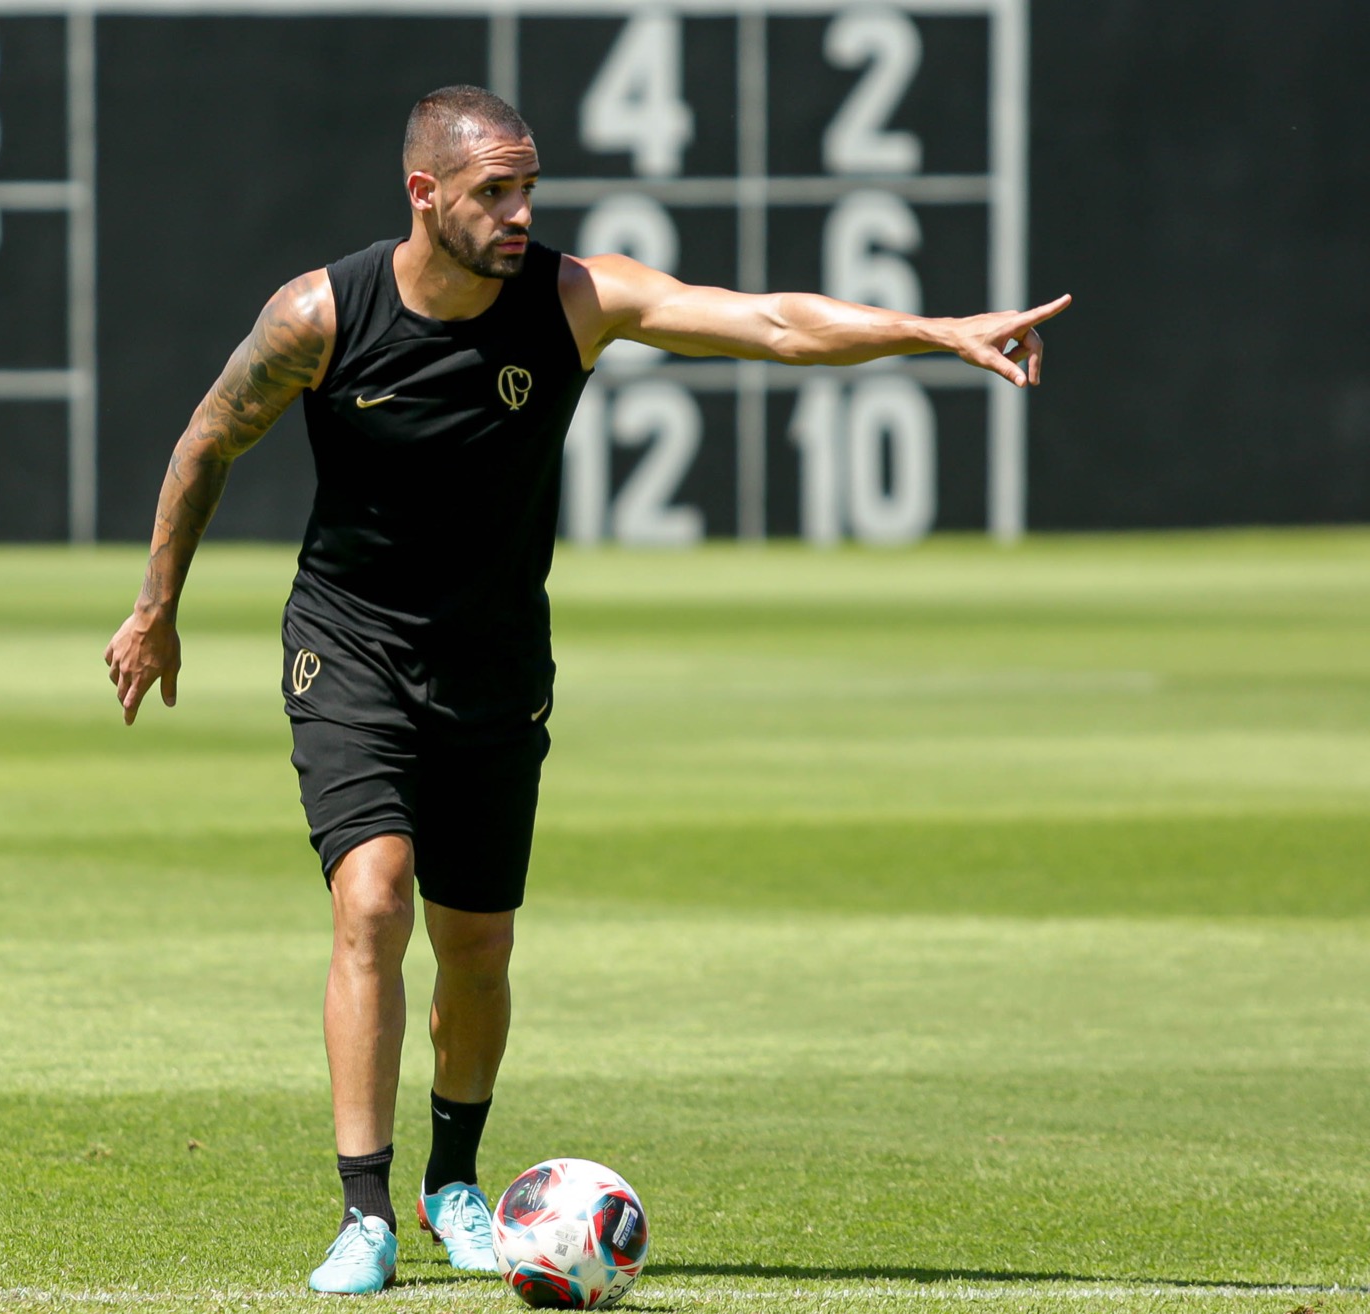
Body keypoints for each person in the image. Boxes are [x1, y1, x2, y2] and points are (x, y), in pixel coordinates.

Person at [104, 84, 1069, 1295]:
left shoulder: (572, 299)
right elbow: (209, 436)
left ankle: (453, 1186)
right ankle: (364, 1214)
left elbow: (768, 322)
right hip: (349, 649)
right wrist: (157, 607)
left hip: (497, 663)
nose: (519, 212)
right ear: (424, 194)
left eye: (528, 188)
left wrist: (933, 330)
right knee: (373, 901)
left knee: (477, 945)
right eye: (493, 191)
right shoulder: (322, 315)